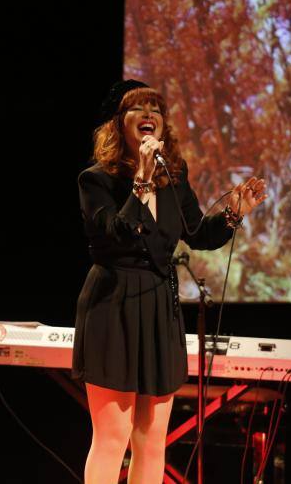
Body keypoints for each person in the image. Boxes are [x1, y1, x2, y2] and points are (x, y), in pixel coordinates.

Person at [73, 80, 267, 484]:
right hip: (114, 303)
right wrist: (141, 179)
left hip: (159, 303)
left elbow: (199, 233)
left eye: (155, 109)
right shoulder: (97, 180)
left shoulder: (174, 180)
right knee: (114, 435)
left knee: (152, 437)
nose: (148, 114)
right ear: (118, 124)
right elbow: (116, 232)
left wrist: (235, 213)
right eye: (137, 108)